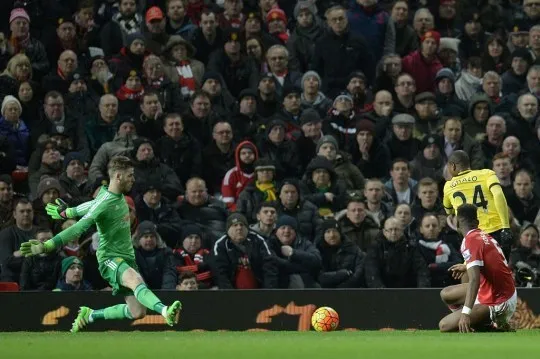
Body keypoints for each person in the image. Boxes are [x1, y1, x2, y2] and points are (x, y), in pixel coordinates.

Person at [19, 156, 181, 332]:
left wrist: (69, 211)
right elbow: (78, 228)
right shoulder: (106, 202)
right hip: (110, 258)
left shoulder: (110, 194)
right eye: (130, 175)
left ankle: (90, 315)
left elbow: (92, 204)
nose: (133, 179)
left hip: (127, 257)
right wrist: (48, 245)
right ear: (118, 176)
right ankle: (165, 311)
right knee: (136, 280)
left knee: (138, 312)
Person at [438, 204, 516, 333]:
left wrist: (465, 313)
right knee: (446, 294)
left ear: (457, 223)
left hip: (499, 301)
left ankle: (489, 323)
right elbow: (495, 262)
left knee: (444, 326)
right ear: (477, 222)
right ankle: (478, 321)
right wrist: (466, 265)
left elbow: (474, 280)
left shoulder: (469, 241)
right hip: (500, 289)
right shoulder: (483, 235)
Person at [443, 150, 513, 259]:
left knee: (477, 273)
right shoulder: (487, 173)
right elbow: (499, 195)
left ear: (453, 166)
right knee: (501, 270)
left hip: (472, 236)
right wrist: (506, 228)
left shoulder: (448, 186)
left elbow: (448, 210)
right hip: (496, 230)